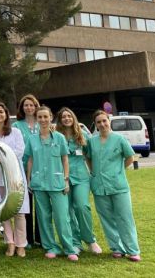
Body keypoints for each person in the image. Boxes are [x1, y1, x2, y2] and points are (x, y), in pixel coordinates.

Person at [25, 106, 78, 261]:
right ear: (36, 119)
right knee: (43, 217)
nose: (43, 120)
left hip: (57, 182)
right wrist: (29, 179)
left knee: (62, 217)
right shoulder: (32, 139)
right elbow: (30, 159)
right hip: (38, 183)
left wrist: (66, 179)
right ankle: (50, 246)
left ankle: (69, 248)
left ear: (51, 117)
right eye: (40, 117)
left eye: (45, 117)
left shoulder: (59, 138)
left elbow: (65, 159)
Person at [86, 110, 141, 262]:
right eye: (99, 122)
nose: (102, 124)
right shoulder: (92, 141)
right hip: (99, 186)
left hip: (118, 185)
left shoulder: (119, 139)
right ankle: (116, 248)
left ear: (109, 121)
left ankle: (133, 250)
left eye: (104, 120)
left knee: (125, 217)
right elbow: (88, 158)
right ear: (95, 125)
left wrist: (118, 170)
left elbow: (130, 157)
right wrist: (94, 172)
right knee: (107, 218)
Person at [55, 107, 102, 255]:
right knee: (67, 210)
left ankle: (90, 240)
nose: (67, 119)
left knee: (82, 207)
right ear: (60, 120)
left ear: (73, 118)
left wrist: (93, 173)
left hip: (81, 176)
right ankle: (75, 242)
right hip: (63, 177)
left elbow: (88, 156)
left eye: (69, 116)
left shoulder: (82, 135)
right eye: (63, 117)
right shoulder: (56, 136)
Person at [0, 102, 29, 257]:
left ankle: (21, 245)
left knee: (19, 212)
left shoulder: (15, 132)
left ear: (6, 114)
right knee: (4, 211)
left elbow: (19, 151)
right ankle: (10, 243)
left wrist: (1, 158)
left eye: (1, 112)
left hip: (14, 176)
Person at [12, 93, 42, 249]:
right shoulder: (17, 126)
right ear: (22, 108)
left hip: (42, 169)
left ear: (36, 106)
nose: (29, 107)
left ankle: (41, 238)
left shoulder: (43, 123)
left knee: (42, 205)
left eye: (31, 105)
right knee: (26, 205)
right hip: (23, 170)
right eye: (26, 105)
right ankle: (28, 238)